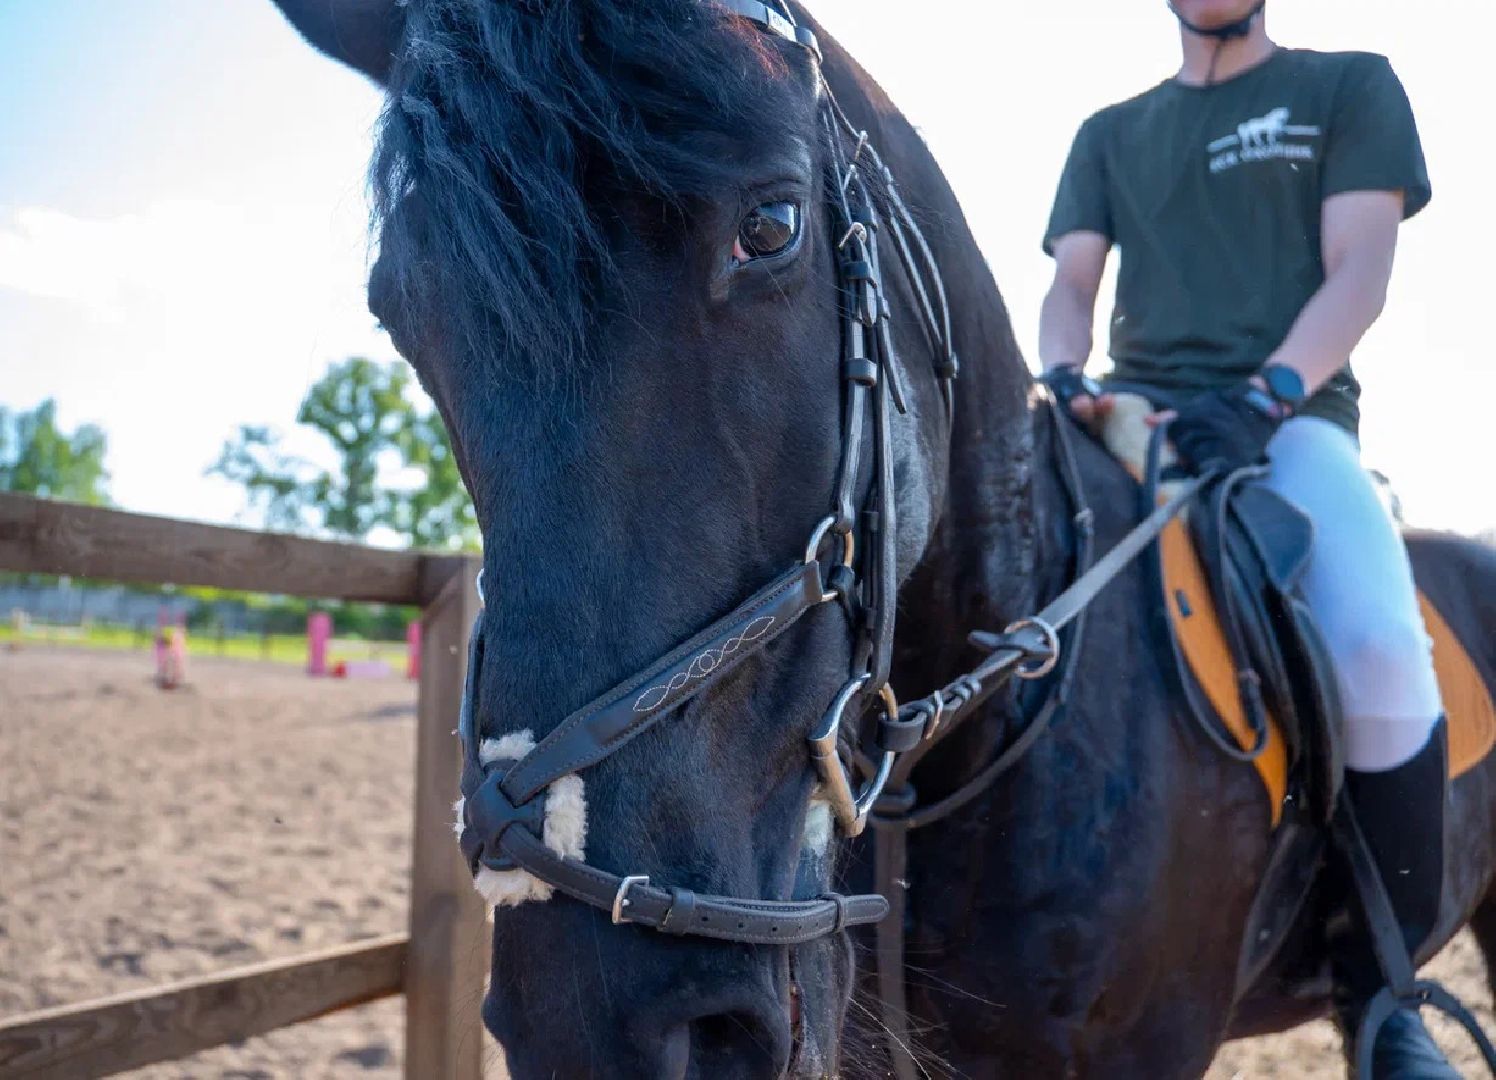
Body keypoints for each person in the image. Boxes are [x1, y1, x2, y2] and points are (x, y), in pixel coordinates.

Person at [1037, 2, 1452, 1074]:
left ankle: (1382, 1001)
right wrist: (1064, 376)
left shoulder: (1346, 85)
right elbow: (1071, 284)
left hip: (1287, 422)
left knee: (1375, 644)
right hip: (1137, 424)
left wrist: (1265, 396)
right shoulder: (1108, 132)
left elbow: (1358, 273)